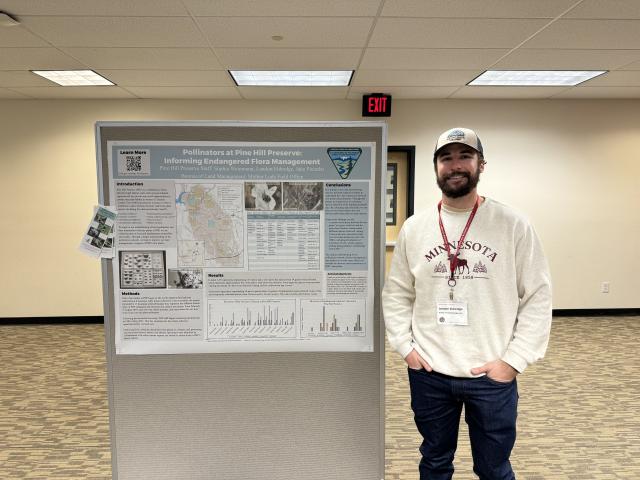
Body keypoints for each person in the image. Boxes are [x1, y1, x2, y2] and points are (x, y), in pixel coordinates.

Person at [382, 127, 552, 480]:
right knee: (434, 462)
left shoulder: (513, 224)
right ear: (436, 167)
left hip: (491, 374)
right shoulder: (416, 228)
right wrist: (405, 347)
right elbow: (397, 292)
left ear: (481, 165)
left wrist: (512, 362)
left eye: (464, 156)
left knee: (493, 468)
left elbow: (538, 296)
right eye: (447, 158)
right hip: (430, 371)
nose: (455, 165)